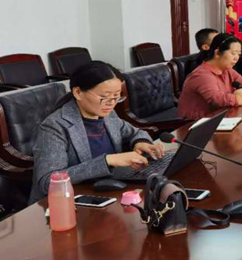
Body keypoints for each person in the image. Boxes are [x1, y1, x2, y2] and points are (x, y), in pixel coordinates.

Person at [30, 61, 164, 203]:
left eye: (116, 97)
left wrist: (141, 142)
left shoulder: (107, 114)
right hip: (65, 202)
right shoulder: (54, 126)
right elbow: (48, 181)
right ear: (78, 92)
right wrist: (108, 161)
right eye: (104, 97)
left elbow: (134, 133)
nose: (111, 103)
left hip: (108, 192)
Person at [177, 33, 242, 120]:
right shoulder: (202, 75)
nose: (236, 58)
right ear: (217, 53)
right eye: (233, 53)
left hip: (221, 118)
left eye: (239, 54)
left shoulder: (228, 70)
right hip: (196, 124)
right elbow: (219, 100)